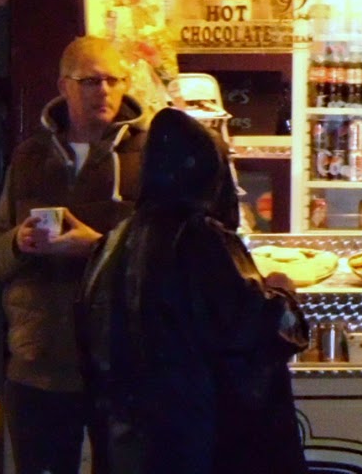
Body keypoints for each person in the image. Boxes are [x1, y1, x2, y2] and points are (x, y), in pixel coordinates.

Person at [78, 108, 307, 474]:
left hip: (125, 448)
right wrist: (283, 295)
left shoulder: (110, 244)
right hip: (202, 445)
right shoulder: (202, 239)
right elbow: (251, 332)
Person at [0, 36, 151, 474]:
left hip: (119, 363)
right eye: (91, 80)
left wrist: (97, 247)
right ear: (64, 86)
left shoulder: (148, 156)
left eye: (115, 80)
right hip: (38, 365)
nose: (106, 91)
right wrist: (19, 242)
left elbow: (169, 259)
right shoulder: (31, 156)